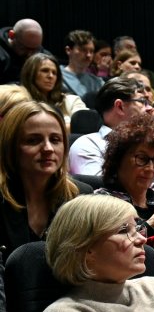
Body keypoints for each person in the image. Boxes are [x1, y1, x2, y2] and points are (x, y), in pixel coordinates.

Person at [0, 101, 88, 257]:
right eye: (33, 140)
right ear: (10, 146)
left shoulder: (81, 196)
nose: (48, 148)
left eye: (55, 140)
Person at [19, 53, 86, 125]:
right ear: (30, 74)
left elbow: (85, 125)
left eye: (54, 73)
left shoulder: (71, 101)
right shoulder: (19, 101)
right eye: (45, 71)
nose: (51, 76)